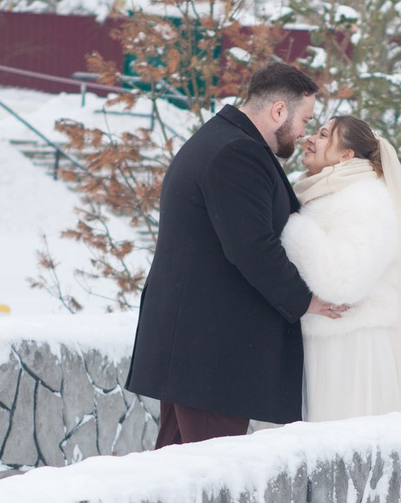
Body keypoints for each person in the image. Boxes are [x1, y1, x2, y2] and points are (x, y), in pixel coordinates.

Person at [126, 60, 349, 445]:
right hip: (211, 358)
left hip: (192, 352)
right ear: (279, 110)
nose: (303, 133)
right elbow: (252, 247)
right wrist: (305, 300)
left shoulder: (220, 138)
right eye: (303, 119)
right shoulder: (237, 153)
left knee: (175, 476)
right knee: (209, 482)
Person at [280, 115, 401, 419]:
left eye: (323, 135)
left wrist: (296, 229)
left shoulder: (365, 199)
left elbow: (344, 282)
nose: (310, 140)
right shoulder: (329, 194)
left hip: (353, 352)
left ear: (347, 155)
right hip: (330, 346)